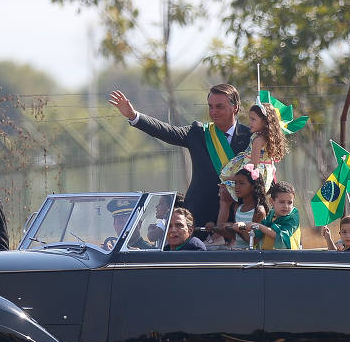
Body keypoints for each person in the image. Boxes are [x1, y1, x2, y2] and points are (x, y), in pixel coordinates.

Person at [108, 85, 252, 227]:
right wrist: (134, 116)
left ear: (235, 108)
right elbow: (167, 132)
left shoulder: (251, 138)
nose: (213, 112)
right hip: (199, 216)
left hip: (238, 218)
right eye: (210, 106)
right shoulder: (199, 133)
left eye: (219, 106)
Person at [220, 102, 287, 195]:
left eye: (253, 119)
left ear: (264, 121)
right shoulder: (265, 137)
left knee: (226, 192)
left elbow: (253, 165)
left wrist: (235, 177)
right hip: (265, 174)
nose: (250, 122)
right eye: (250, 119)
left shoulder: (258, 140)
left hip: (253, 175)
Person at [210, 166, 268, 249]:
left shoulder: (259, 211)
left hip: (253, 256)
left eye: (242, 183)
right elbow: (236, 237)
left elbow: (254, 241)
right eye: (235, 183)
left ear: (253, 186)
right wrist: (216, 229)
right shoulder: (237, 207)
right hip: (239, 253)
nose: (237, 187)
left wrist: (239, 228)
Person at [252, 181, 301, 250]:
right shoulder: (271, 215)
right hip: (267, 257)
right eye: (282, 202)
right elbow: (259, 233)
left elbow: (280, 236)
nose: (286, 206)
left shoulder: (293, 216)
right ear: (271, 201)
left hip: (289, 258)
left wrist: (258, 226)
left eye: (290, 202)